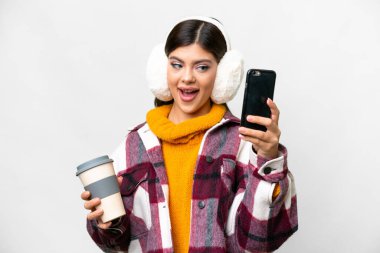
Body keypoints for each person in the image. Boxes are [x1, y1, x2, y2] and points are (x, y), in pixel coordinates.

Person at [80, 16, 298, 253]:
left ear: (223, 75)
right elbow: (116, 245)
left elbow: (258, 243)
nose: (186, 78)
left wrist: (268, 162)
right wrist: (107, 223)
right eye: (177, 64)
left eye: (202, 67)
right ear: (161, 69)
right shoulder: (133, 146)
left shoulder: (244, 143)